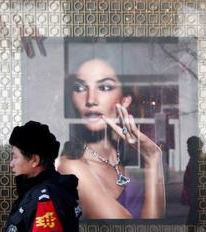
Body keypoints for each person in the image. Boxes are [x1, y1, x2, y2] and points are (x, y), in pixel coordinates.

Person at [57, 57, 166, 219]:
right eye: (80, 87)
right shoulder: (71, 168)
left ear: (125, 100)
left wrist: (153, 158)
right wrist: (152, 159)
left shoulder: (120, 162)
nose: (91, 100)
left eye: (104, 87)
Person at [181, 136, 206, 232]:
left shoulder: (199, 160)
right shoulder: (195, 159)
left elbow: (200, 181)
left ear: (195, 147)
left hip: (198, 195)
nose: (188, 150)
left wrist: (196, 196)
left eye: (189, 147)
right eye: (187, 147)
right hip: (196, 194)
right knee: (196, 217)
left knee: (198, 217)